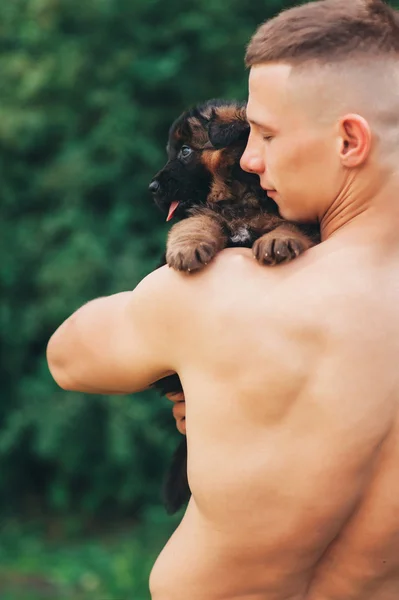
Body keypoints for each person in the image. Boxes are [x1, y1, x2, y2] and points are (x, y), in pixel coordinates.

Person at [47, 0, 399, 598]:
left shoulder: (215, 293)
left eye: (266, 133)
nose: (250, 159)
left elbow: (68, 357)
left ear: (348, 140)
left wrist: (187, 360)